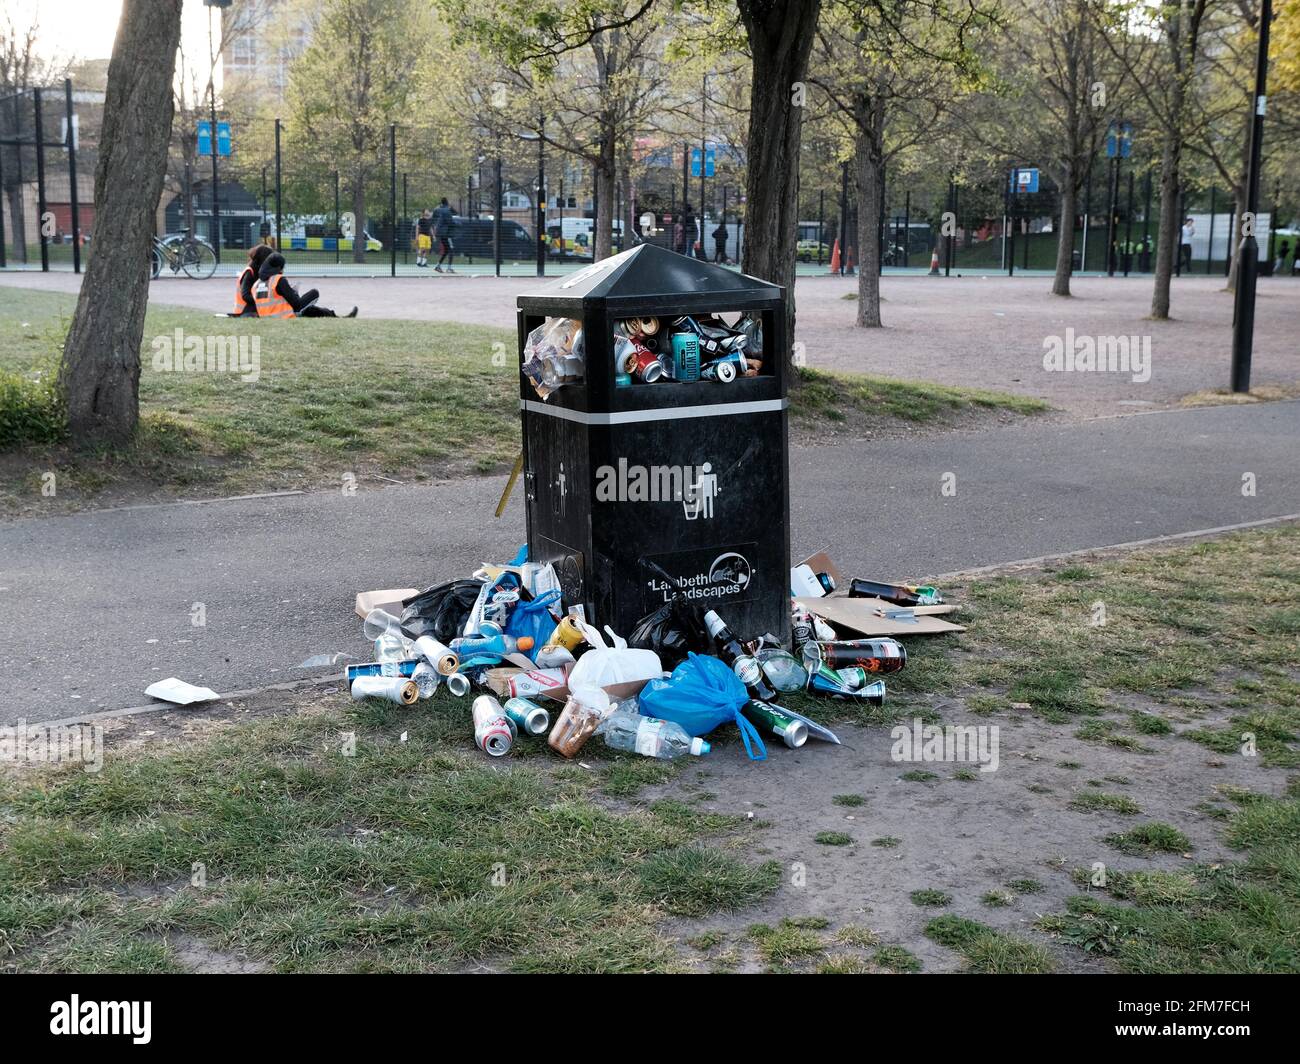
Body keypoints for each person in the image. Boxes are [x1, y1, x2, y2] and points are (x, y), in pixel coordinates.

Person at [254, 253, 357, 318]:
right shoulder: (278, 280)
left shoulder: (256, 284)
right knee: (314, 293)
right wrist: (294, 292)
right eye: (282, 267)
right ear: (278, 267)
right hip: (284, 317)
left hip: (267, 317)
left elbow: (273, 301)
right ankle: (338, 317)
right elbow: (296, 305)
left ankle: (337, 317)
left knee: (312, 310)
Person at [230, 244, 273, 317]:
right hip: (244, 311)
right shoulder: (249, 273)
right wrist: (262, 301)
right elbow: (245, 296)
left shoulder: (258, 272)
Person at [432, 197, 456, 273]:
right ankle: (449, 268)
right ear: (447, 202)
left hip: (440, 232)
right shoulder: (446, 210)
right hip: (446, 233)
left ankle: (438, 266)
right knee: (451, 249)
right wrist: (459, 224)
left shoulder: (438, 210)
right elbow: (450, 222)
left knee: (446, 250)